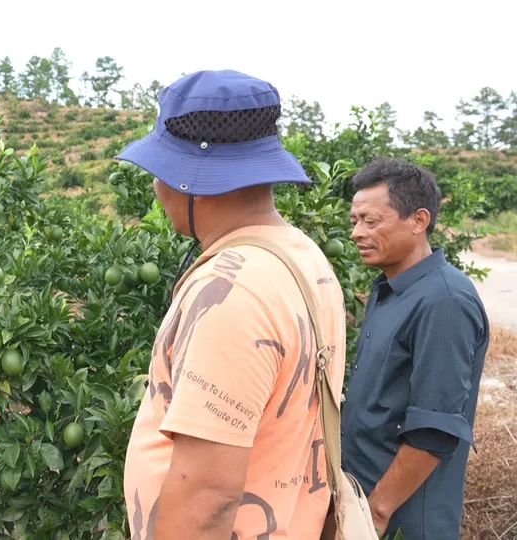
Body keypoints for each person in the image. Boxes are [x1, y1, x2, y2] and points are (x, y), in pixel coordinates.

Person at [119, 70, 346, 539]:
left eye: (161, 172)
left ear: (191, 181)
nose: (157, 190)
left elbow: (207, 498)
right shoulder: (302, 255)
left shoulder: (233, 291)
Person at [342, 157, 489, 539]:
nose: (357, 232)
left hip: (402, 522)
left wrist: (376, 513)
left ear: (419, 221)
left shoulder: (444, 301)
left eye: (371, 221)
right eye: (354, 220)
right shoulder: (388, 291)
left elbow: (434, 430)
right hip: (363, 505)